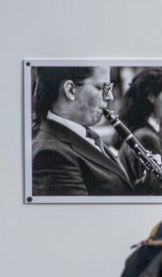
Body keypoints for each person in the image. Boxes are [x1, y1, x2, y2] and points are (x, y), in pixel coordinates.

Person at [31, 66, 135, 195]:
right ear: (70, 90)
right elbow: (83, 214)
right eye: (102, 87)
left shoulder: (86, 134)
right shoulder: (50, 155)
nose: (110, 97)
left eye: (109, 88)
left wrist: (149, 186)